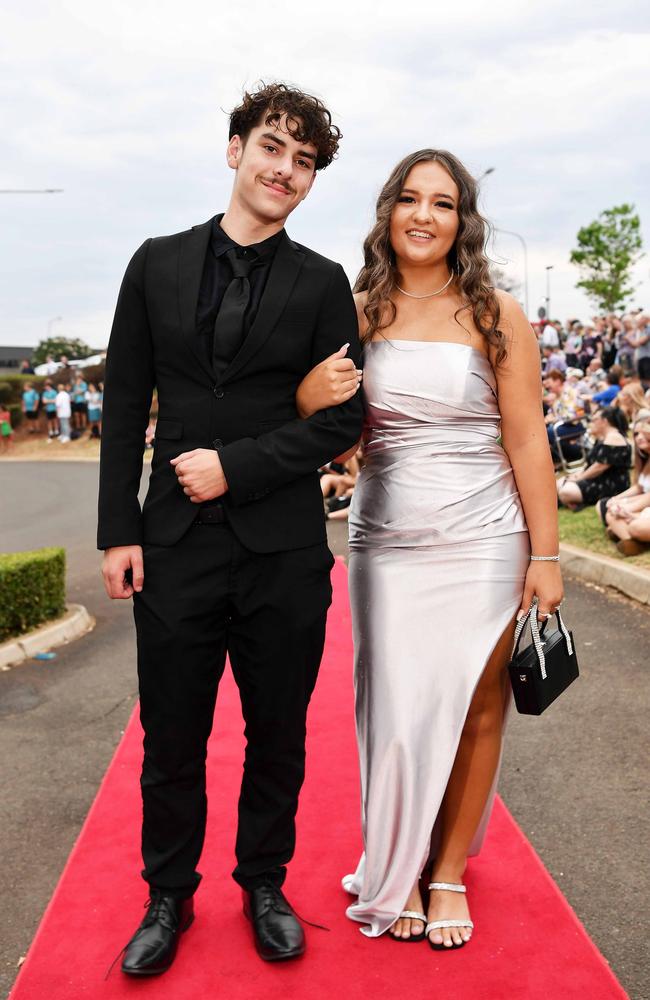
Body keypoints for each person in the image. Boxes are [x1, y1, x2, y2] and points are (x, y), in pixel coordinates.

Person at [98, 81, 363, 976]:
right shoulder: (155, 262)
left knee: (276, 732)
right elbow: (125, 398)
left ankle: (263, 882)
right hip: (172, 544)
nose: (285, 170)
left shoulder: (325, 284)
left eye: (304, 161)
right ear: (235, 149)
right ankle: (168, 894)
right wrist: (117, 531)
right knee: (172, 734)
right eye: (272, 148)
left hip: (284, 550)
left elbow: (338, 422)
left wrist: (235, 467)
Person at [296, 148, 562, 948]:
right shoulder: (352, 311)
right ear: (387, 213)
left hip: (485, 535)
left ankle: (444, 869)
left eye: (442, 204)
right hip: (386, 537)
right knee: (395, 709)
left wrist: (545, 557)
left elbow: (526, 438)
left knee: (479, 709)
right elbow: (330, 437)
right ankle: (399, 862)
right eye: (409, 199)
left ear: (461, 221)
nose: (423, 215)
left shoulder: (496, 314)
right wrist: (310, 397)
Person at [557, 408, 630, 509]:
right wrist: (577, 475)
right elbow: (591, 465)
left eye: (594, 419)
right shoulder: (604, 438)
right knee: (560, 483)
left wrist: (579, 478)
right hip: (598, 480)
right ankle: (573, 500)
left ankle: (574, 501)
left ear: (605, 421)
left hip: (610, 484)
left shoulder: (614, 437)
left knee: (565, 491)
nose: (591, 422)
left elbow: (599, 467)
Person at [602, 414, 650, 556]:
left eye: (644, 432)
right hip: (644, 508)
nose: (639, 437)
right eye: (636, 434)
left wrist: (629, 509)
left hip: (644, 509)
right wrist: (619, 502)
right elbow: (640, 488)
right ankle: (635, 543)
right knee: (611, 514)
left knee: (636, 526)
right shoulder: (644, 461)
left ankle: (632, 536)